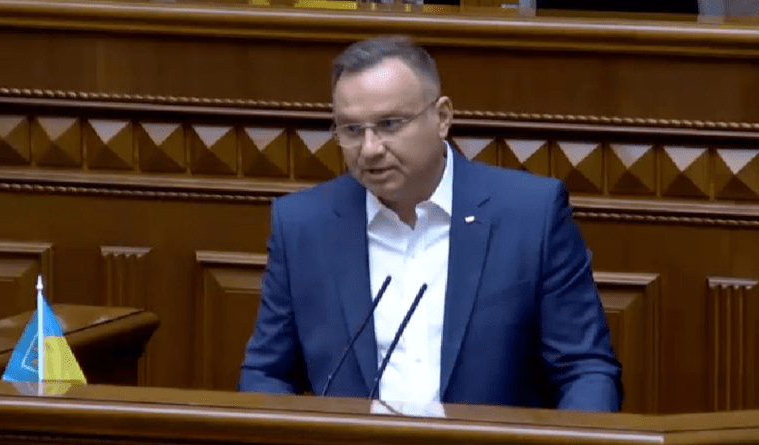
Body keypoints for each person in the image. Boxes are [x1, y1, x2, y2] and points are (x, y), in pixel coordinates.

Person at [239, 35, 622, 411]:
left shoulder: (530, 214)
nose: (370, 149)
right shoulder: (303, 224)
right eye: (352, 130)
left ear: (442, 118)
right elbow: (267, 373)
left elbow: (584, 370)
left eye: (389, 124)